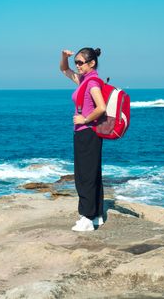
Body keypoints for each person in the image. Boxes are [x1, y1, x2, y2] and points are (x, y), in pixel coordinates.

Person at [60, 47, 106, 231]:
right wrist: (64, 57)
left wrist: (84, 119)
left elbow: (101, 107)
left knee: (84, 175)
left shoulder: (92, 82)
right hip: (87, 132)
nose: (76, 65)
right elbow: (64, 70)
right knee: (92, 172)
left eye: (80, 62)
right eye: (76, 62)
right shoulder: (84, 79)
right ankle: (97, 215)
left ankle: (87, 218)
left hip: (87, 131)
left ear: (91, 63)